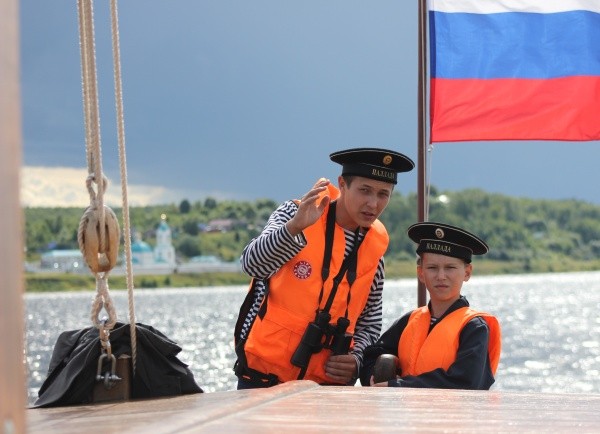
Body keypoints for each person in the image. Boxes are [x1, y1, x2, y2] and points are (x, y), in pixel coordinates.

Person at [233, 147, 414, 389]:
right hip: (262, 380)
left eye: (383, 194)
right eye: (364, 190)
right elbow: (252, 264)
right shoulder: (295, 214)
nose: (373, 203)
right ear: (342, 184)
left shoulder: (375, 254)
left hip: (326, 391)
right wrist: (293, 228)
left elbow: (369, 323)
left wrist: (356, 359)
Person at [360, 222, 501, 390]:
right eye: (432, 268)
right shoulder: (409, 321)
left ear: (467, 272)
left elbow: (465, 381)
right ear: (421, 273)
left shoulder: (474, 328)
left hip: (453, 408)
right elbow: (370, 357)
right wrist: (374, 377)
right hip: (407, 407)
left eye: (450, 268)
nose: (441, 276)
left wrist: (399, 385)